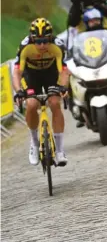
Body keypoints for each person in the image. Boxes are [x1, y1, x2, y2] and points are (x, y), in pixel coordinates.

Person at [12, 18, 70, 166]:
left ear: (50, 38)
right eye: (38, 41)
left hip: (51, 74)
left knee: (55, 103)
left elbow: (63, 71)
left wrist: (63, 87)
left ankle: (60, 150)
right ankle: (34, 142)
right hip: (31, 75)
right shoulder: (25, 46)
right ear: (32, 39)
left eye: (45, 40)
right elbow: (17, 72)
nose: (42, 45)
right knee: (31, 104)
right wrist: (19, 91)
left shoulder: (57, 46)